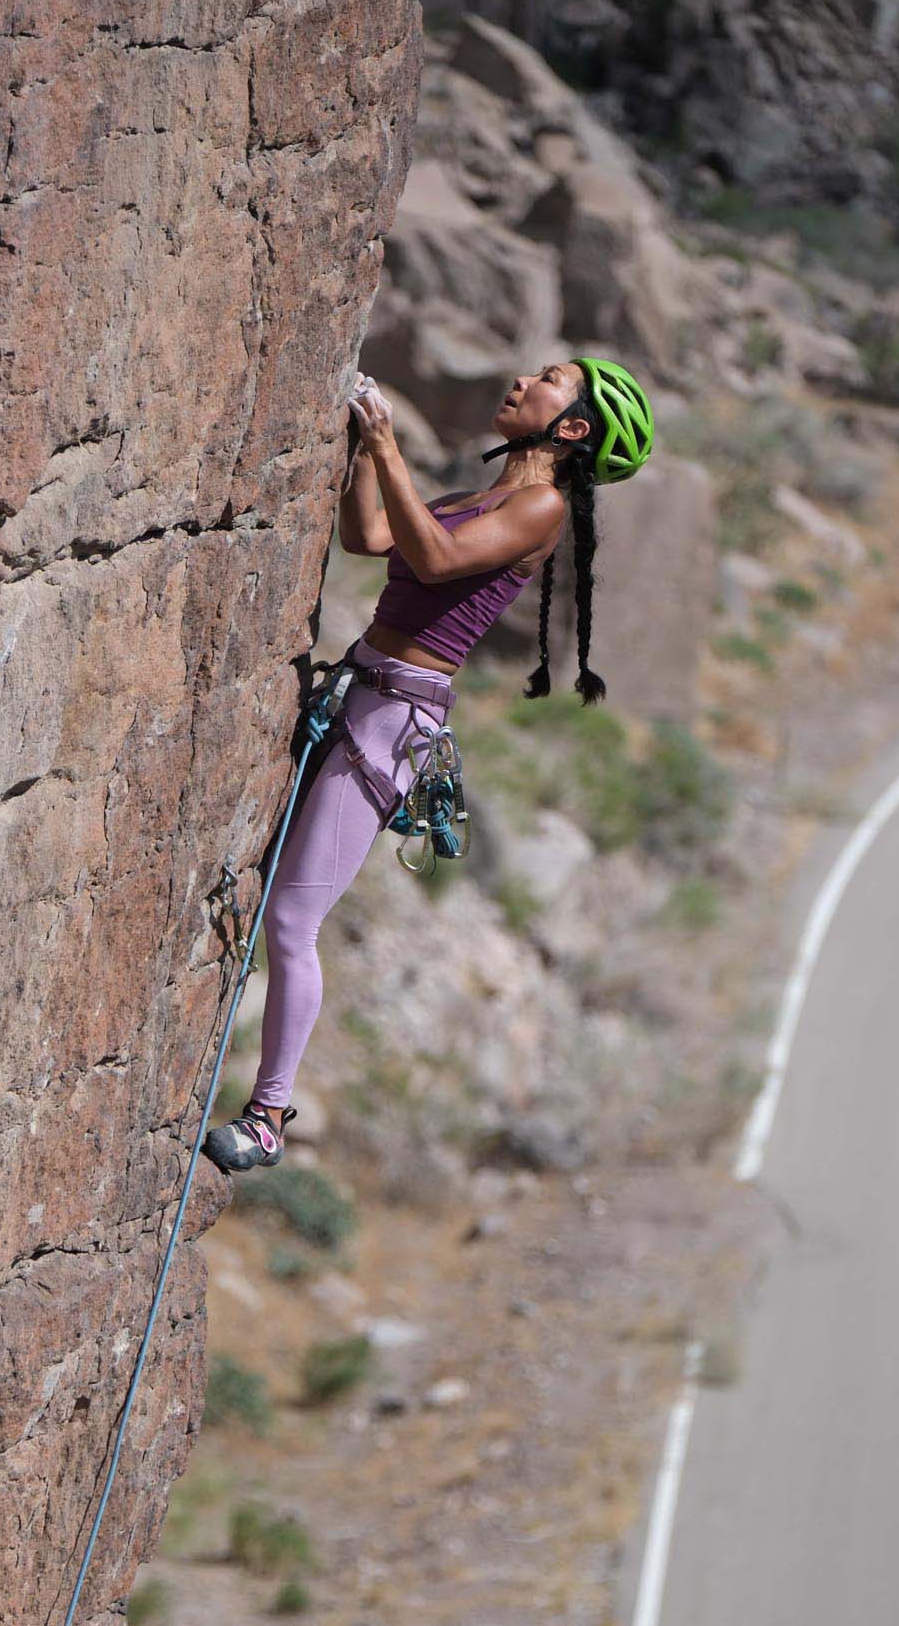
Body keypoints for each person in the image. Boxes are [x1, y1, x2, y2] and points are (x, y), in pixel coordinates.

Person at [203, 356, 654, 1174]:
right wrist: (355, 455)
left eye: (547, 381)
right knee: (267, 894)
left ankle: (269, 1116)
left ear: (573, 428)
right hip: (357, 689)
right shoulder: (479, 495)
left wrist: (385, 445)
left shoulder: (539, 506)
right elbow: (372, 537)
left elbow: (440, 564)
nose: (522, 380)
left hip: (391, 719)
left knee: (293, 921)